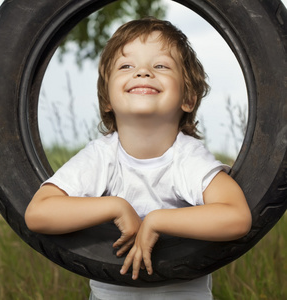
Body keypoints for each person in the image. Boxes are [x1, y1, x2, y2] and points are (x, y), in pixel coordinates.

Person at [25, 17, 252, 299]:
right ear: (107, 98)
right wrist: (115, 207)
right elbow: (38, 213)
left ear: (188, 97)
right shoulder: (101, 157)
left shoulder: (187, 158)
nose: (143, 72)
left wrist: (158, 221)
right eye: (126, 66)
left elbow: (236, 217)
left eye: (160, 66)